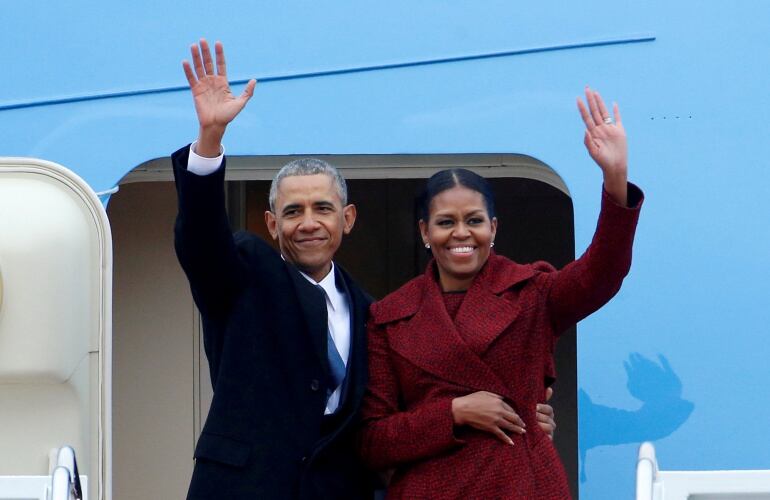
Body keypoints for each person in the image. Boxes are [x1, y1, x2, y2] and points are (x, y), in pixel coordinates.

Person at [172, 39, 558, 499]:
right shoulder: (243, 274)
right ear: (273, 224)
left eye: (322, 208)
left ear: (347, 219)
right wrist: (210, 141)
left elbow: (404, 413)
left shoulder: (375, 313)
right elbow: (201, 245)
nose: (309, 223)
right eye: (293, 212)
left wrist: (522, 413)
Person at [357, 88, 643, 499]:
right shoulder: (388, 317)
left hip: (521, 484)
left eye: (474, 220)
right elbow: (373, 442)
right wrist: (454, 413)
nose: (461, 233)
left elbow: (602, 273)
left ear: (493, 228)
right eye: (445, 222)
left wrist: (614, 178)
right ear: (424, 232)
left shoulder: (533, 292)